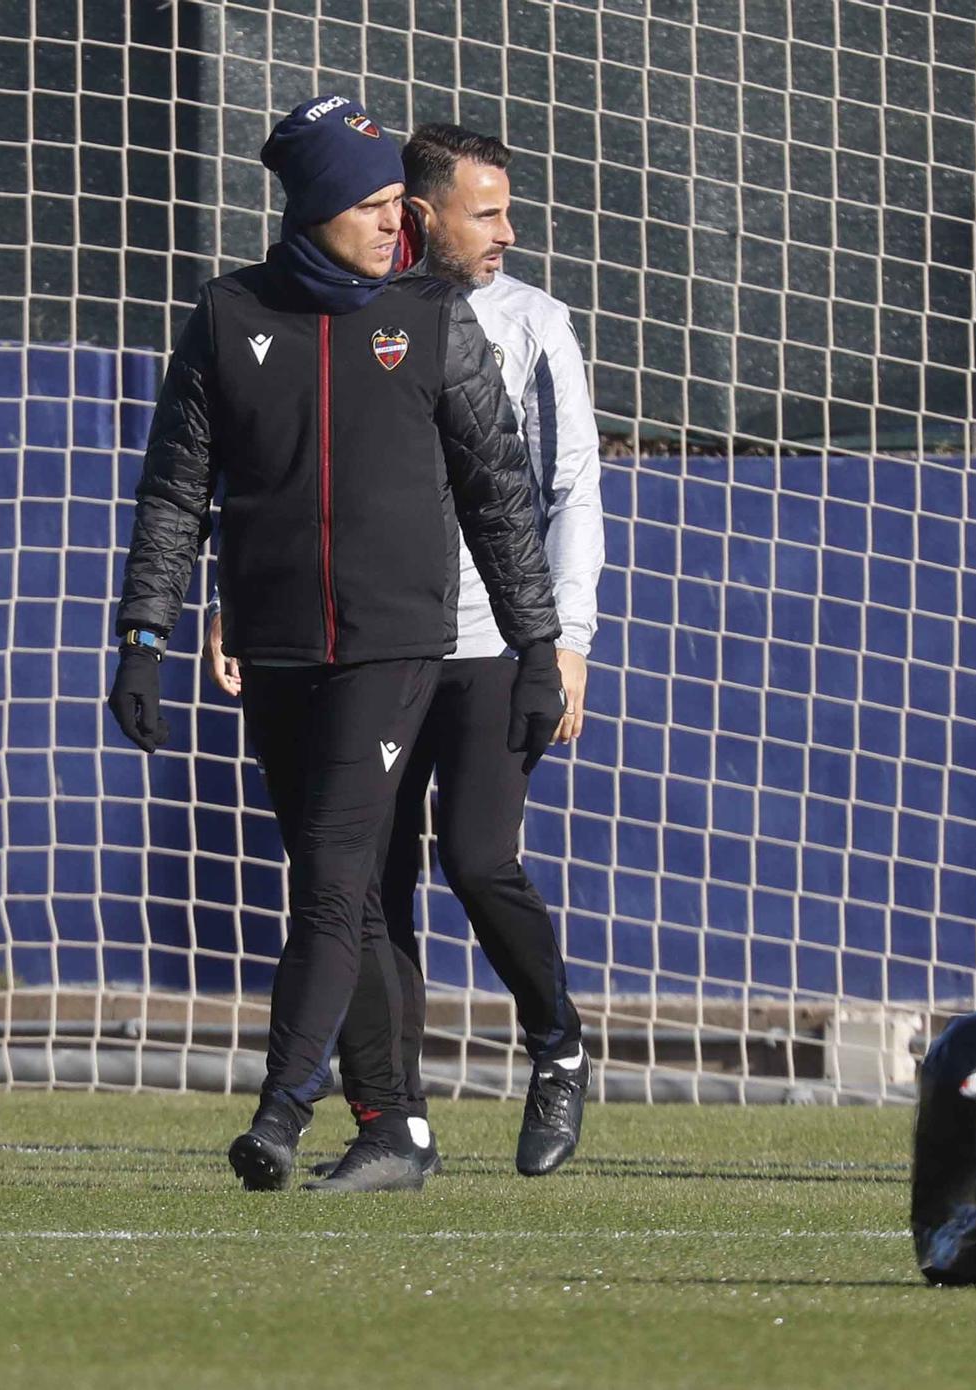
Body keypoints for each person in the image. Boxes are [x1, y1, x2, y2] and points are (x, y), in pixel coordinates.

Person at [108, 95, 565, 1194]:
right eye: (367, 203)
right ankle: (394, 1132)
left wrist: (536, 642)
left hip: (392, 647)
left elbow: (499, 492)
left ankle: (280, 1111)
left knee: (328, 877)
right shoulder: (226, 317)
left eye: (394, 203)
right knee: (347, 896)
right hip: (273, 650)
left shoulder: (434, 316)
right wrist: (143, 633)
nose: (390, 221)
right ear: (313, 206)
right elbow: (176, 492)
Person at [210, 123, 604, 1177]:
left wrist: (561, 639)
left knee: (478, 859)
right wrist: (236, 600)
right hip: (370, 639)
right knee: (362, 881)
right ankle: (398, 1121)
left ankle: (557, 1042)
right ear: (419, 216)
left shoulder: (528, 323)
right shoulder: (331, 314)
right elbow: (276, 483)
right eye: (485, 213)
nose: (505, 234)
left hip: (484, 644)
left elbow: (564, 492)